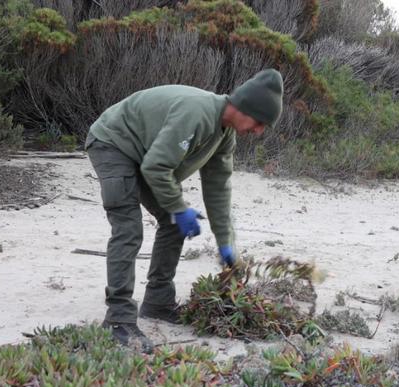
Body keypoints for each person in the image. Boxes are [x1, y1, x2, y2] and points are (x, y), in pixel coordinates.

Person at [85, 69, 284, 351]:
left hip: (144, 156)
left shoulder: (224, 134)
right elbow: (156, 167)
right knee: (128, 227)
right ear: (244, 108)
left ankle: (157, 301)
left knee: (172, 222)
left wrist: (226, 242)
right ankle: (118, 319)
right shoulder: (198, 113)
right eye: (259, 122)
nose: (259, 131)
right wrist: (179, 208)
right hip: (113, 143)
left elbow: (218, 188)